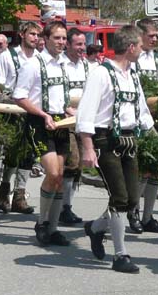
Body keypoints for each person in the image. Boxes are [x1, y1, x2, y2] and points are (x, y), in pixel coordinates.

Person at [78, 25, 155, 274]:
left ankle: (96, 228)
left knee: (132, 199)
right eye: (141, 46)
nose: (143, 50)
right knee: (119, 198)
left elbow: (141, 109)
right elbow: (86, 112)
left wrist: (155, 136)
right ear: (131, 47)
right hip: (104, 141)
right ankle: (120, 255)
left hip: (129, 140)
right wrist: (88, 148)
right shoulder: (101, 74)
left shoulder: (132, 74)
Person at [13, 20, 71, 246]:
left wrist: (70, 110)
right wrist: (43, 115)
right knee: (53, 174)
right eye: (57, 38)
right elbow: (20, 96)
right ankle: (42, 222)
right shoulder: (33, 64)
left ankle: (53, 228)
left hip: (61, 124)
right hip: (39, 123)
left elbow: (61, 98)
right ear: (45, 39)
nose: (61, 42)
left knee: (60, 179)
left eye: (64, 38)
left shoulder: (63, 64)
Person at [0, 22, 42, 214]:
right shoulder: (8, 56)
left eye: (37, 35)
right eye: (31, 34)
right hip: (13, 111)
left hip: (32, 111)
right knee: (13, 153)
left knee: (29, 154)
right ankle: (4, 189)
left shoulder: (40, 58)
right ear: (22, 35)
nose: (35, 38)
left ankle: (20, 196)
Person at [130, 18, 158, 235]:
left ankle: (148, 216)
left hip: (154, 118)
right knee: (141, 169)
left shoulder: (156, 58)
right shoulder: (134, 58)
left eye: (156, 36)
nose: (155, 39)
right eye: (151, 35)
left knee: (155, 170)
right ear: (141, 35)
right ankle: (133, 212)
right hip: (138, 120)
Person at [59, 28, 89, 225]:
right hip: (65, 119)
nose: (82, 48)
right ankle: (62, 208)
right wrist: (67, 109)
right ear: (68, 44)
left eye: (83, 44)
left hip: (82, 119)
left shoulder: (86, 65)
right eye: (78, 44)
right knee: (71, 163)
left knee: (77, 167)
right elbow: (54, 92)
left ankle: (66, 207)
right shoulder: (61, 65)